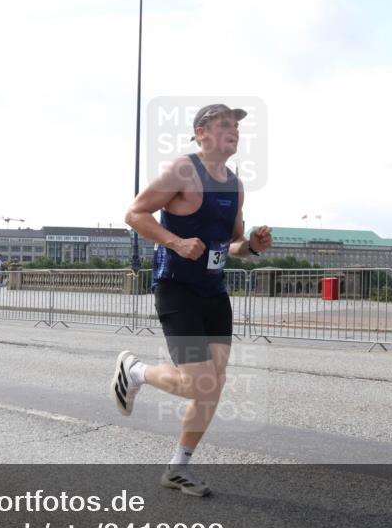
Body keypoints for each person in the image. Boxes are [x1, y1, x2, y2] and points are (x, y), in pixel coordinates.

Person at [110, 103, 273, 497]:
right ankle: (135, 372)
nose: (233, 131)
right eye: (223, 125)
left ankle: (178, 468)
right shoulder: (183, 170)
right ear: (201, 131)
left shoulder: (235, 185)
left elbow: (232, 244)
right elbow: (135, 213)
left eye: (236, 127)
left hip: (214, 293)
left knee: (212, 386)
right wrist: (176, 241)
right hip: (177, 286)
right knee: (199, 383)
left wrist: (250, 246)